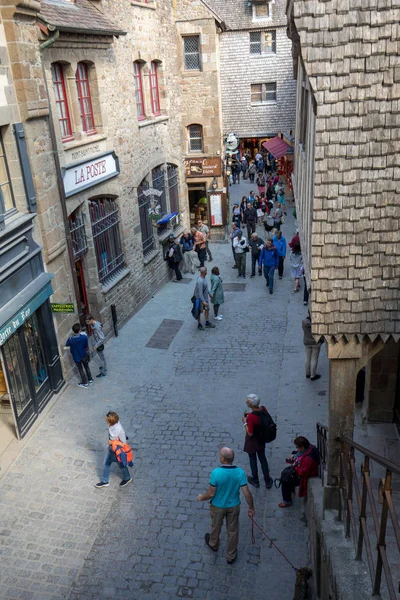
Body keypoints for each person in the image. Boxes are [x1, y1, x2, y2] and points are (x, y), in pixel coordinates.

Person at [197, 447, 255, 565]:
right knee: (233, 530)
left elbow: (211, 493)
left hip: (218, 506)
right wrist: (251, 507)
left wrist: (201, 497)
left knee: (216, 526)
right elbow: (247, 493)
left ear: (222, 459)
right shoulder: (240, 472)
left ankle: (213, 543)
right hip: (234, 506)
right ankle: (231, 555)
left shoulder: (216, 473)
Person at [242, 394, 274, 489]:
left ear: (251, 405)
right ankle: (267, 480)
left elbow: (250, 433)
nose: (246, 402)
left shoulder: (251, 417)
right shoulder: (263, 409)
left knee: (253, 459)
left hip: (253, 441)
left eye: (247, 401)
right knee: (262, 459)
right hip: (261, 439)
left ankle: (255, 480)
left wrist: (245, 422)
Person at [95, 411, 133, 489]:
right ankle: (127, 477)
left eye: (107, 420)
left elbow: (114, 440)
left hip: (115, 449)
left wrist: (111, 442)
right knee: (120, 463)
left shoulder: (116, 429)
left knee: (107, 464)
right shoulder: (116, 424)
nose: (106, 421)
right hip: (115, 449)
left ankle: (105, 481)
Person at [278, 436, 319, 508]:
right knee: (286, 473)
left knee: (285, 480)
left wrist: (294, 466)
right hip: (300, 468)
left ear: (302, 447)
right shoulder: (309, 447)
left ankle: (287, 501)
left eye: (297, 447)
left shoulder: (308, 459)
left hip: (304, 476)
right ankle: (291, 489)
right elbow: (299, 454)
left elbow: (303, 472)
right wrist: (293, 457)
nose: (297, 449)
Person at [66, 323, 93, 388]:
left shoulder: (71, 339)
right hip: (83, 355)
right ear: (80, 330)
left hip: (76, 357)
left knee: (80, 369)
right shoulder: (84, 337)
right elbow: (85, 346)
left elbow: (67, 344)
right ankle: (90, 379)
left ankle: (84, 382)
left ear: (73, 331)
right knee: (86, 367)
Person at [302, 313, 322, 381]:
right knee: (314, 359)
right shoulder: (317, 323)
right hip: (316, 343)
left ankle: (307, 373)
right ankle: (312, 375)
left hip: (307, 342)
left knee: (307, 358)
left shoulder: (304, 323)